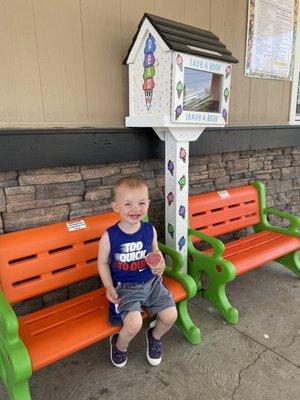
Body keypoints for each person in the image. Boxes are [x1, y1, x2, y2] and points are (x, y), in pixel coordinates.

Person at [97, 176, 178, 368]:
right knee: (133, 324)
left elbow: (155, 251)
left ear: (148, 203)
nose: (136, 209)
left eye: (141, 203)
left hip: (152, 282)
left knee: (170, 316)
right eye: (128, 204)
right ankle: (119, 345)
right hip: (126, 287)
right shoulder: (109, 236)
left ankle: (155, 335)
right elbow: (102, 263)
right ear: (116, 207)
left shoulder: (150, 230)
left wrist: (159, 264)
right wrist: (108, 286)